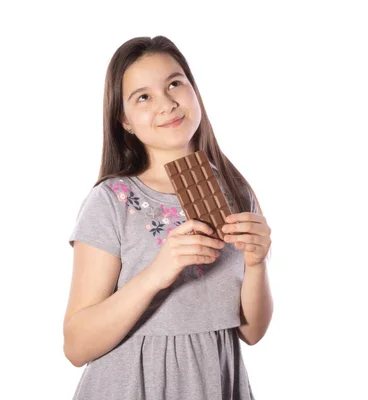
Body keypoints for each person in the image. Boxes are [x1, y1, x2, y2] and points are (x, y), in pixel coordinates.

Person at [63, 36, 273, 400]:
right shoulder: (111, 201)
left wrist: (257, 264)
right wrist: (154, 275)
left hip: (217, 381)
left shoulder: (237, 192)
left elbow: (251, 332)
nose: (167, 103)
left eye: (175, 83)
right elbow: (76, 346)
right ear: (124, 120)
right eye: (143, 96)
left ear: (194, 91)